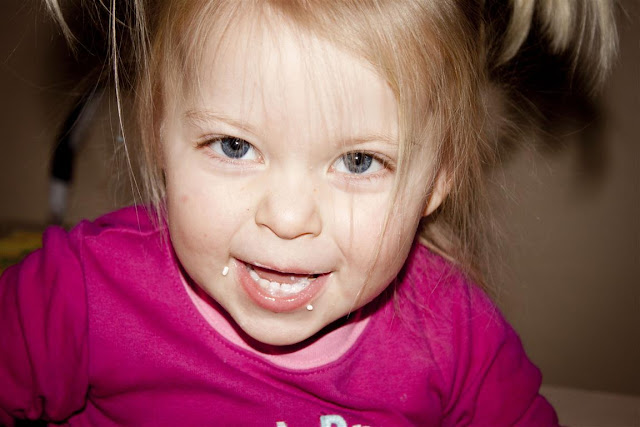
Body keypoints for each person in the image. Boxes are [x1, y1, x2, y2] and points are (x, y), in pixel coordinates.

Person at [1, 1, 616, 425]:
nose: (290, 218)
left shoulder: (457, 340)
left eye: (358, 161)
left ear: (437, 181)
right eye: (234, 146)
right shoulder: (77, 295)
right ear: (159, 134)